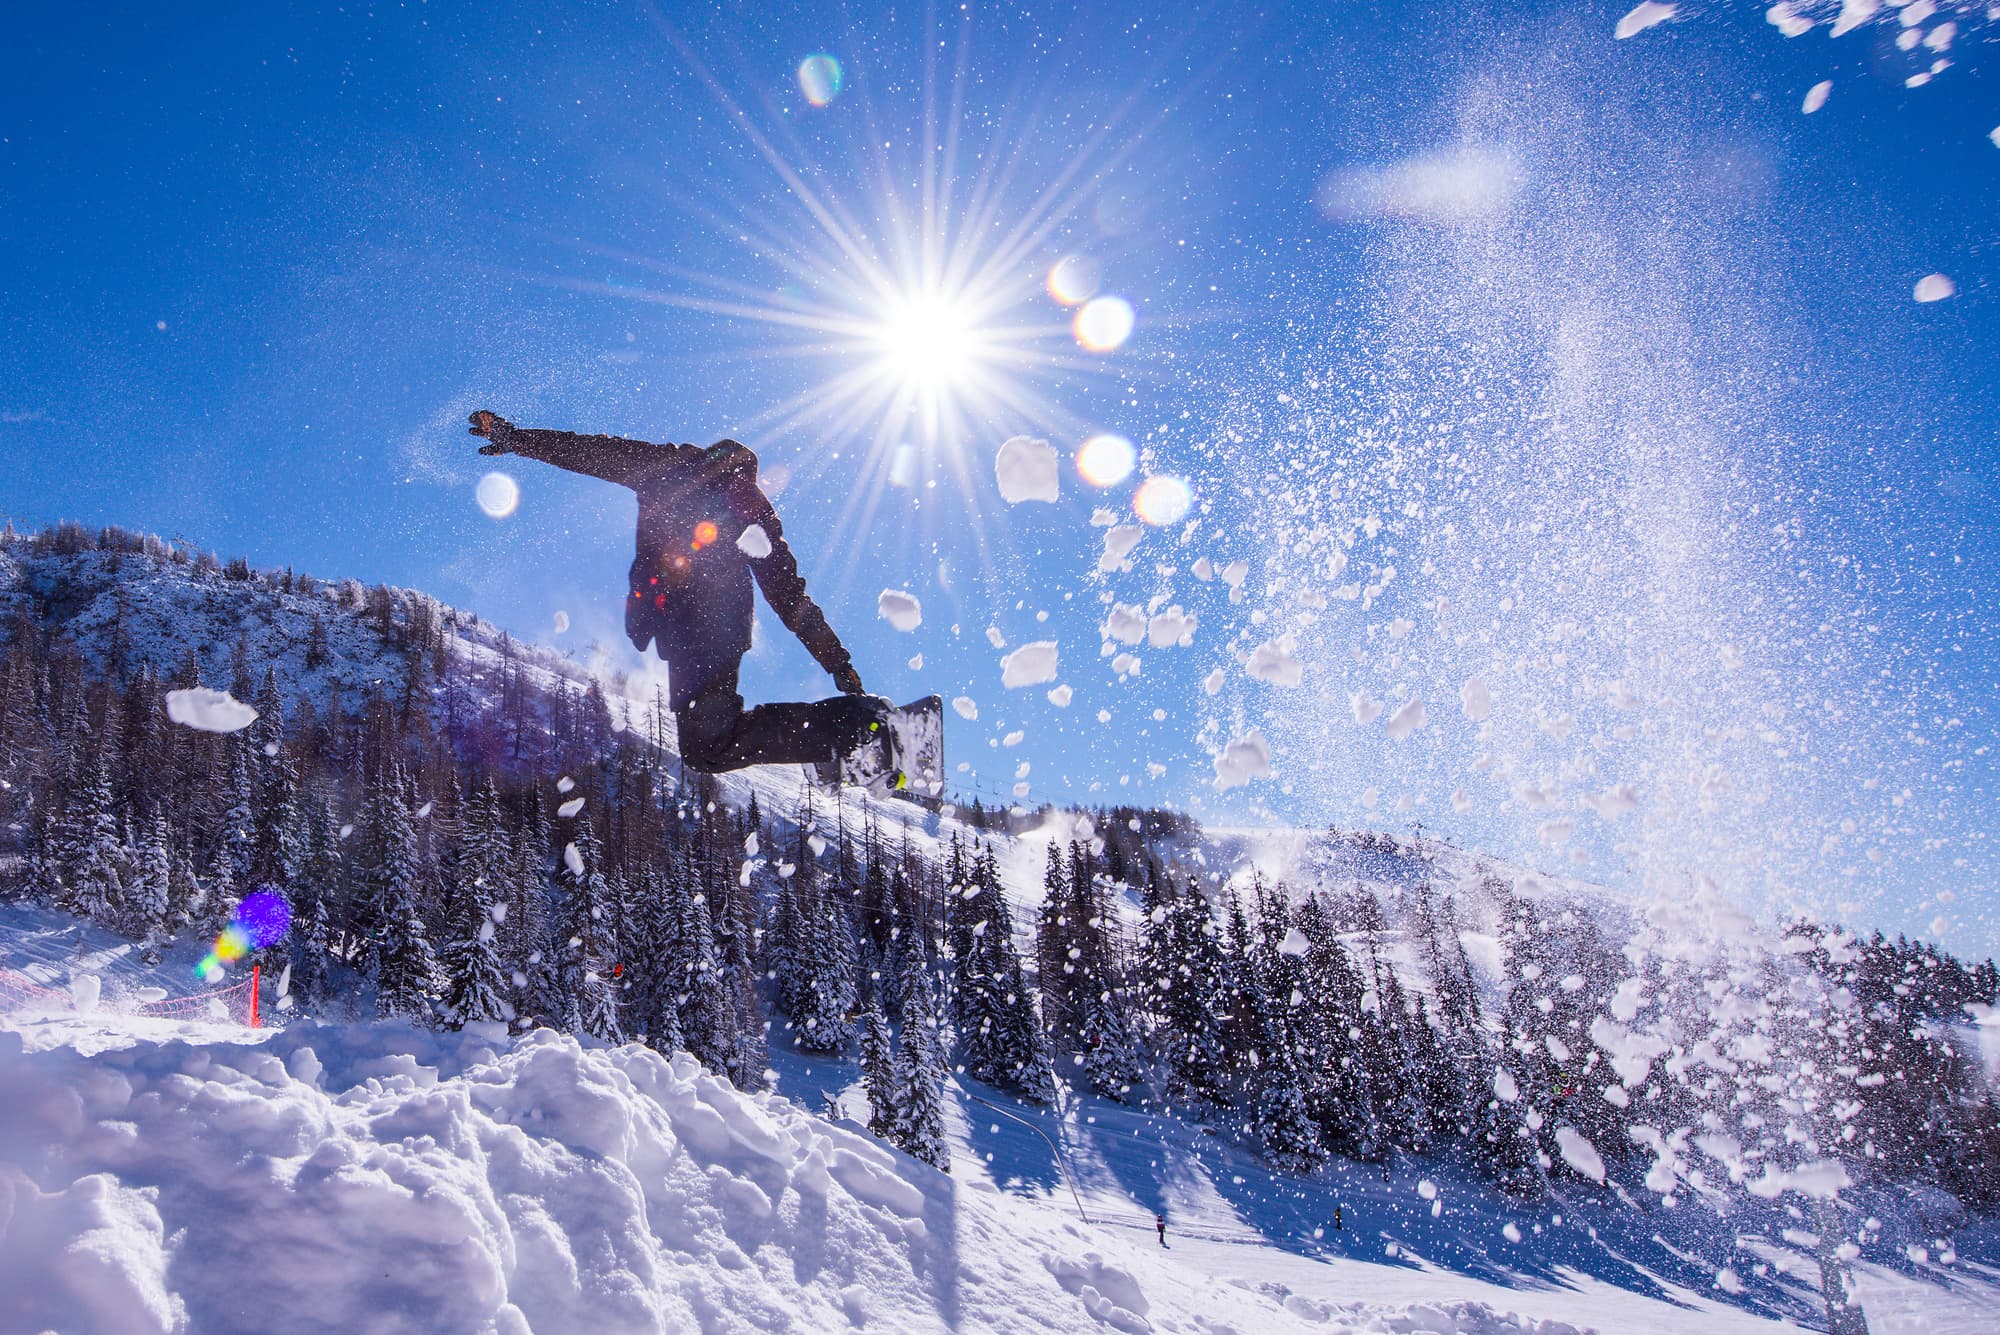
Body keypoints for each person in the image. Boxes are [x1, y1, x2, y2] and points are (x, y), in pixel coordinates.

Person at [468, 411, 888, 773]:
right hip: (700, 632)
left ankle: (862, 727)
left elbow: (592, 453)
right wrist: (835, 659)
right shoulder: (740, 501)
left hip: (703, 631)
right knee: (705, 749)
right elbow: (789, 597)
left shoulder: (671, 468)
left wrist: (518, 439)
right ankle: (849, 730)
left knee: (707, 747)